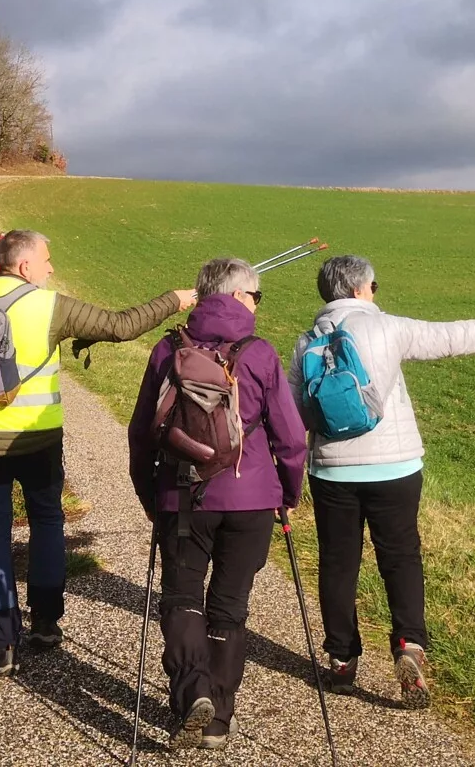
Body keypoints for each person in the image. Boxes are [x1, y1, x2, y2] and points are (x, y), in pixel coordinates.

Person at [0, 229, 197, 676]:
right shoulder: (48, 305)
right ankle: (46, 623)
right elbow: (121, 325)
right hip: (38, 442)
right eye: (47, 260)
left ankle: (1, 643)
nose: (51, 268)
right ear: (26, 265)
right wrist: (173, 299)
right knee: (47, 522)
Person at [287, 254, 475, 708]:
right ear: (364, 289)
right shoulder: (389, 328)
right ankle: (409, 645)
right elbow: (452, 337)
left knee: (338, 563)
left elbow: (294, 409)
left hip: (331, 471)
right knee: (401, 557)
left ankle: (342, 659)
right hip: (395, 467)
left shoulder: (306, 342)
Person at [128, 258, 306, 750]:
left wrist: (150, 493)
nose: (256, 304)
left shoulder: (168, 349)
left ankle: (192, 691)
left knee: (183, 597)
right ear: (237, 297)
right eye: (256, 296)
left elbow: (143, 433)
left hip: (182, 496)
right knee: (229, 608)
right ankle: (217, 721)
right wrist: (286, 494)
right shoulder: (260, 353)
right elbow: (291, 439)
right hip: (250, 501)